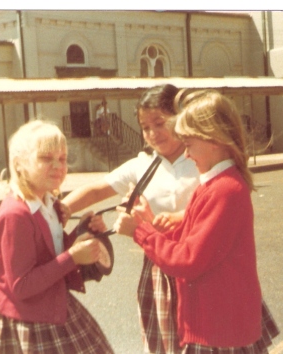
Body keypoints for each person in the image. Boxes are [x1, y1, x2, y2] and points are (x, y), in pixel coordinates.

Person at [113, 89, 272, 353]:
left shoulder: (225, 190)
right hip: (214, 326)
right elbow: (190, 242)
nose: (186, 155)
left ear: (214, 139)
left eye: (188, 144)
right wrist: (148, 220)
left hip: (220, 331)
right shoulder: (211, 185)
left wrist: (139, 232)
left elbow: (187, 260)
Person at [63, 84, 200, 354]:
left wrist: (179, 217)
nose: (152, 133)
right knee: (164, 345)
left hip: (200, 263)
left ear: (180, 116)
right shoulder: (143, 164)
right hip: (160, 267)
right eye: (145, 127)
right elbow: (96, 190)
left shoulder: (199, 156)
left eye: (159, 123)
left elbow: (217, 199)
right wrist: (58, 211)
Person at [0, 120, 114, 354]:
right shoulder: (16, 215)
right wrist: (73, 257)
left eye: (62, 158)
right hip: (25, 317)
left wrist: (82, 233)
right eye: (46, 158)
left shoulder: (47, 202)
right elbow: (21, 286)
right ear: (20, 164)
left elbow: (49, 252)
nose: (58, 165)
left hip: (48, 302)